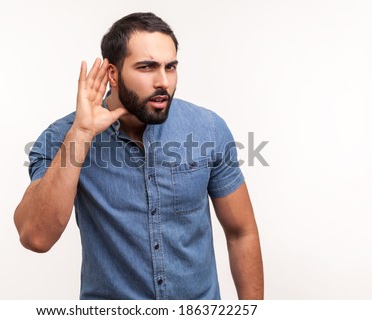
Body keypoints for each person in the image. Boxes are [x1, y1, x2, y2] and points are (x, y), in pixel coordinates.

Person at [14, 12, 263, 300]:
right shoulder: (62, 137)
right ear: (112, 74)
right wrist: (81, 133)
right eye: (147, 67)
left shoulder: (208, 129)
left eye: (170, 67)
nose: (163, 82)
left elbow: (241, 232)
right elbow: (35, 237)